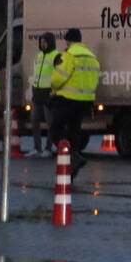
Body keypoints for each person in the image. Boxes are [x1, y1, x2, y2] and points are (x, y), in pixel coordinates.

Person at [49, 28, 100, 180]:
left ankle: (73, 157)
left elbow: (58, 79)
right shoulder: (92, 57)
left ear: (69, 40)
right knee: (74, 132)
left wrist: (53, 88)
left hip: (67, 99)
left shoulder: (70, 55)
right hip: (84, 101)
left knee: (55, 131)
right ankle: (72, 168)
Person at [26, 33, 59, 158]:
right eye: (41, 42)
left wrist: (53, 91)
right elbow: (35, 73)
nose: (42, 44)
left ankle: (48, 148)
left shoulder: (56, 56)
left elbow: (58, 75)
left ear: (50, 42)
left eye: (44, 42)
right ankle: (37, 147)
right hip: (37, 92)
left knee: (50, 122)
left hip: (48, 93)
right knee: (34, 120)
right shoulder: (39, 56)